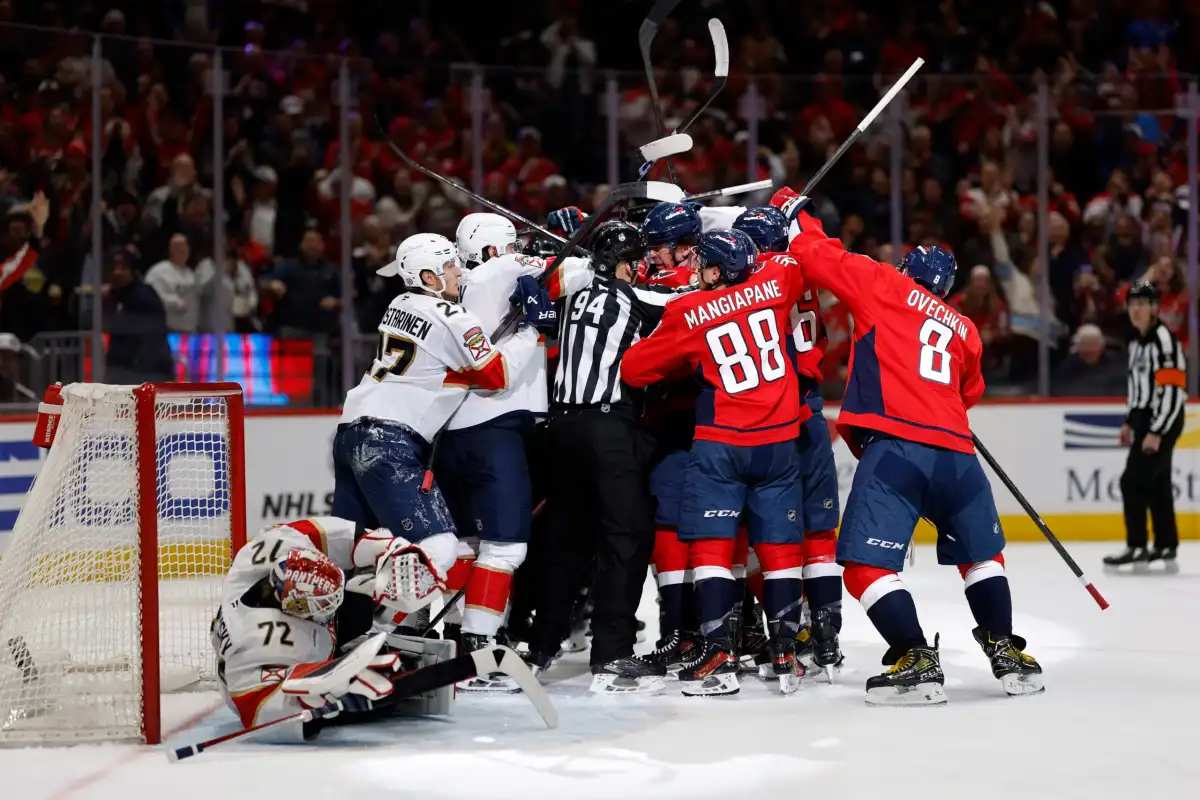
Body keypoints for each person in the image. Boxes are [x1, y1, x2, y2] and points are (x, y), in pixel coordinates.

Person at [788, 210, 1044, 705]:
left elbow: (816, 256)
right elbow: (969, 391)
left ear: (907, 270)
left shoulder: (883, 284)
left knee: (865, 566)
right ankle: (1008, 651)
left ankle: (914, 656)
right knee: (982, 558)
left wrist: (798, 214)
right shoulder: (965, 328)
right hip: (957, 455)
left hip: (897, 451)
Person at [623, 228, 810, 697]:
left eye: (703, 264)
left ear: (717, 270)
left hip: (722, 441)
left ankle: (719, 656)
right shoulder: (776, 282)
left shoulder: (690, 310)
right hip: (780, 440)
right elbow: (788, 262)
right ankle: (785, 651)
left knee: (710, 549)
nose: (695, 270)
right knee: (780, 549)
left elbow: (635, 369)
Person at [333, 233, 542, 618]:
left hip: (350, 432)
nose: (459, 272)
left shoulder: (398, 302)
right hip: (389, 439)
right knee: (440, 547)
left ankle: (346, 639)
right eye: (449, 267)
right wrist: (530, 328)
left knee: (359, 548)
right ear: (428, 277)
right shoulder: (453, 316)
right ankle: (387, 630)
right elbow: (497, 375)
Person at [431, 213, 586, 690]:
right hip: (495, 428)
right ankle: (479, 652)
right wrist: (572, 241)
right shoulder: (497, 271)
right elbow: (577, 272)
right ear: (496, 248)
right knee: (505, 547)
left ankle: (452, 641)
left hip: (455, 432)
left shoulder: (459, 289)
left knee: (465, 545)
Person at [527, 221, 678, 695]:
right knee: (626, 537)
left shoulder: (570, 293)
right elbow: (690, 305)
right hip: (608, 429)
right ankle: (612, 654)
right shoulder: (635, 297)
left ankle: (541, 645)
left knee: (565, 543)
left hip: (561, 429)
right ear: (624, 263)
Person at [734, 202, 844, 675]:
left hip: (771, 416)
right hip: (812, 408)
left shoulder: (758, 281)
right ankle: (826, 638)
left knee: (759, 534)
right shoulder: (804, 267)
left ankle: (783, 629)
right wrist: (796, 208)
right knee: (818, 536)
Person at [210, 517, 448, 732]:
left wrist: (390, 550)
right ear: (299, 609)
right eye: (323, 607)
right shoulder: (255, 641)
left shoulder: (270, 549)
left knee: (355, 597)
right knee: (355, 702)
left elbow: (332, 535)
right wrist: (322, 694)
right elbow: (254, 708)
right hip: (270, 678)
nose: (330, 611)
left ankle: (358, 653)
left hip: (291, 639)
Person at [1104, 280, 1186, 568]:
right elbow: (1137, 386)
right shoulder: (1136, 340)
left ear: (1154, 308)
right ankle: (1166, 544)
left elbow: (1174, 391)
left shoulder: (1163, 340)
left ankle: (1137, 545)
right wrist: (1130, 422)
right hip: (1146, 421)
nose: (1136, 309)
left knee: (1132, 482)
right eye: (1132, 304)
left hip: (1162, 421)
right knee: (1157, 483)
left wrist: (1157, 431)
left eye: (1142, 304)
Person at [144, 233, 199, 333]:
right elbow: (152, 297)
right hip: (166, 330)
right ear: (171, 250)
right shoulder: (158, 271)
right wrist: (176, 303)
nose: (182, 252)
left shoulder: (191, 274)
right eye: (178, 249)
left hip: (190, 331)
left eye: (185, 248)